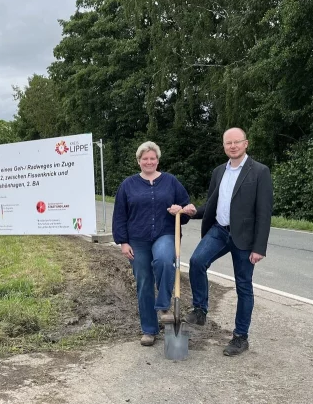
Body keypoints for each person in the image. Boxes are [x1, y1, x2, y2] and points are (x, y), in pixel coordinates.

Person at [183, 127, 273, 356]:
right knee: (196, 261)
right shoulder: (218, 172)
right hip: (219, 231)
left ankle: (240, 337)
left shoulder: (260, 171)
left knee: (243, 286)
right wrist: (192, 211)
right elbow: (212, 204)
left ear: (246, 143)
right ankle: (200, 310)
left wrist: (259, 247)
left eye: (236, 142)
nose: (232, 146)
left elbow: (264, 212)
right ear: (224, 146)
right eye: (228, 143)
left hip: (245, 237)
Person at [112, 141, 193, 346]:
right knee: (144, 282)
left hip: (165, 233)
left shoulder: (171, 181)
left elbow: (185, 208)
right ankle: (149, 330)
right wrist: (123, 242)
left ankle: (164, 305)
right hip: (137, 239)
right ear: (139, 161)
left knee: (165, 260)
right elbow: (120, 215)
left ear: (158, 160)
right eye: (145, 158)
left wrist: (182, 210)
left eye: (152, 158)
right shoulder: (127, 185)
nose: (149, 162)